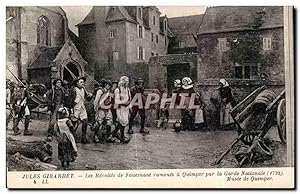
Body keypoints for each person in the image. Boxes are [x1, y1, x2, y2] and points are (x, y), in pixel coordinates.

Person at [69, 77, 93, 144]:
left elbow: (87, 99)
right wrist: (71, 112)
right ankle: (72, 138)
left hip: (82, 108)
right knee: (73, 123)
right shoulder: (73, 90)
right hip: (75, 108)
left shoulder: (83, 89)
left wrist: (90, 96)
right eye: (81, 82)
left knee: (85, 122)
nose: (83, 83)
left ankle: (83, 138)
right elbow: (70, 102)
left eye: (83, 82)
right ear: (77, 83)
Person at [112, 76, 131, 143]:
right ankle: (122, 136)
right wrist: (124, 103)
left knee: (125, 122)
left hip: (126, 109)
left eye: (127, 82)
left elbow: (129, 98)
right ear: (122, 82)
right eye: (126, 82)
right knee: (121, 121)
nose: (127, 83)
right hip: (120, 108)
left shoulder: (128, 89)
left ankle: (114, 133)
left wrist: (129, 105)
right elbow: (117, 101)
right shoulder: (117, 90)